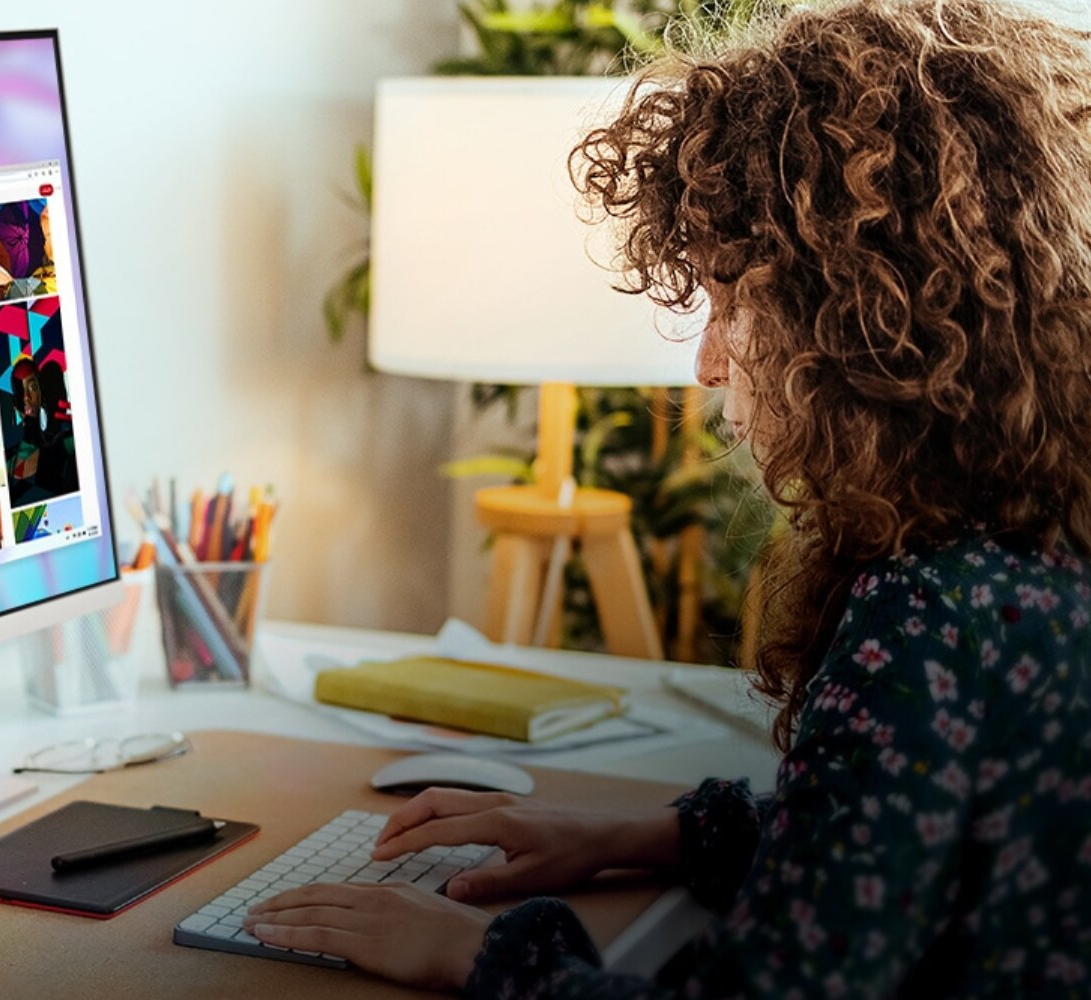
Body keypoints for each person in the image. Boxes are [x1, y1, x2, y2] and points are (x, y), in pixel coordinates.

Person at [245, 0, 1091, 995]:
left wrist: (477, 953)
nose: (703, 362)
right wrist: (636, 836)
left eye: (734, 302)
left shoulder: (923, 616)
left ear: (866, 327)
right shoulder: (1028, 551)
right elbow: (898, 838)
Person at [7, 350, 77, 504]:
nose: (26, 397)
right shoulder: (6, 459)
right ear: (15, 405)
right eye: (20, 390)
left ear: (41, 394)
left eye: (32, 387)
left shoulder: (59, 445)